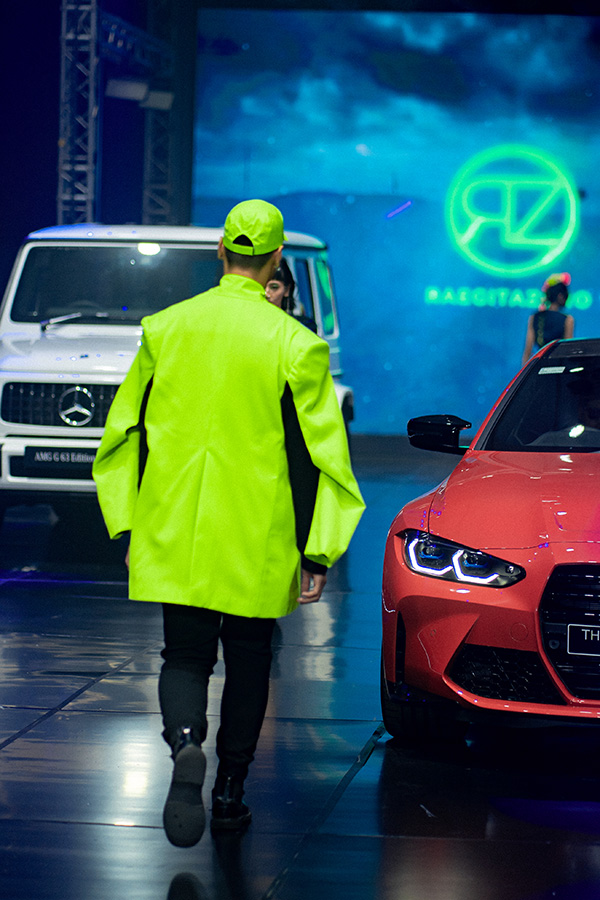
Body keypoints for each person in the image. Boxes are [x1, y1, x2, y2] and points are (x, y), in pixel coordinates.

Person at [92, 199, 365, 848]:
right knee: (249, 660)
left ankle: (186, 740)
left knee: (184, 655)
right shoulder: (296, 345)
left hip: (174, 524)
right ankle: (229, 792)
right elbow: (325, 457)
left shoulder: (166, 327)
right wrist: (319, 551)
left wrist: (127, 526)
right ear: (277, 258)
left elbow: (121, 433)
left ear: (221, 250)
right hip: (258, 533)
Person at [522, 272, 574, 365]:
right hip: (558, 366)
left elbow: (527, 351)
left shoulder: (534, 317)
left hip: (540, 366)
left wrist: (524, 372)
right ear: (560, 296)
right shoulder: (568, 320)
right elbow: (568, 351)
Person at [266, 257, 318, 333]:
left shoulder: (303, 327)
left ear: (287, 290)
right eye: (260, 287)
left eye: (274, 287)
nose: (266, 293)